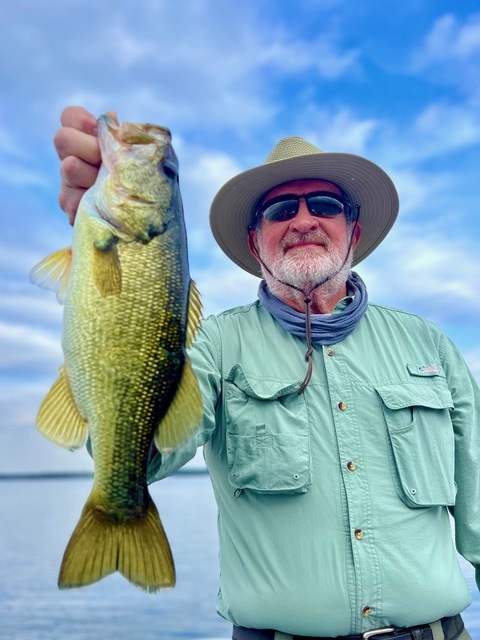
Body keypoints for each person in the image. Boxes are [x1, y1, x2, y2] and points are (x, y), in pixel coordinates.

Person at [54, 107, 479, 640]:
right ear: (257, 242)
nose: (303, 219)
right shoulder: (212, 345)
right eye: (280, 209)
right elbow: (151, 452)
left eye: (324, 204)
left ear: (354, 229)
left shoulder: (427, 343)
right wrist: (104, 270)